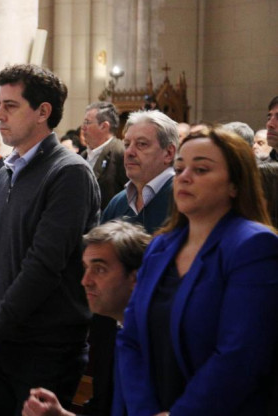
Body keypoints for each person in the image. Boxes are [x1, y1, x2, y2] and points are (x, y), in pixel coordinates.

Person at [0, 64, 99, 415]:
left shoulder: (68, 173)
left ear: (42, 112)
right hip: (2, 341)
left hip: (46, 347)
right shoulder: (7, 173)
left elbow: (43, 267)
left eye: (10, 106)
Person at [116, 127, 278, 415]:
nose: (184, 177)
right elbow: (131, 338)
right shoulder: (160, 247)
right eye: (179, 169)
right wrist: (144, 410)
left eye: (201, 169)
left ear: (235, 185)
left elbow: (239, 354)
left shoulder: (255, 246)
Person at [21, 220, 152, 416]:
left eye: (99, 269)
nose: (85, 281)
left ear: (135, 277)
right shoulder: (106, 324)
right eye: (85, 268)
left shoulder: (160, 335)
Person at [101, 110, 178, 233]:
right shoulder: (118, 203)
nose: (129, 152)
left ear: (169, 153)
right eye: (126, 144)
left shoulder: (183, 198)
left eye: (141, 144)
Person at [81, 102, 128, 209]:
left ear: (104, 126)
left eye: (87, 122)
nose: (83, 128)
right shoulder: (82, 156)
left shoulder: (121, 153)